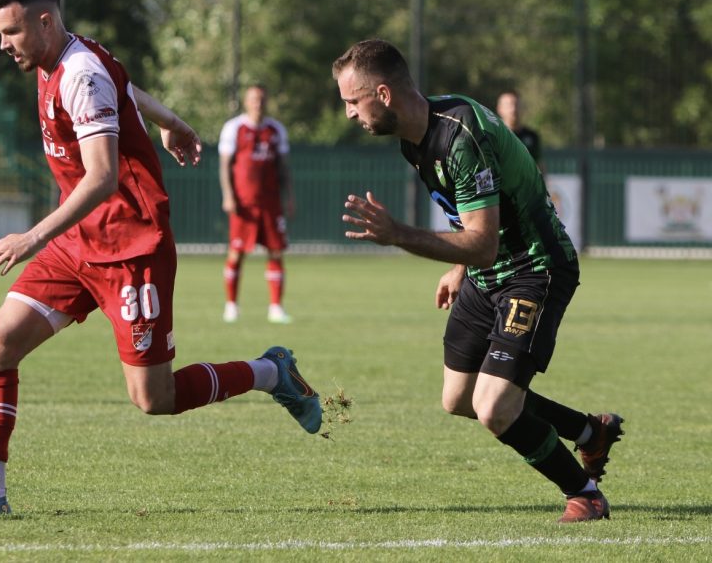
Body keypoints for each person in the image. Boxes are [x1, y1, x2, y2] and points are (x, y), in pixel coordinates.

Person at [0, 0, 322, 519]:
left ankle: (272, 372)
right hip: (77, 242)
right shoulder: (61, 59)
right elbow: (127, 89)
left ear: (45, 22)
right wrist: (171, 121)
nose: (3, 45)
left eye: (10, 32)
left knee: (153, 398)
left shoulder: (80, 72)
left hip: (131, 249)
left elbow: (102, 176)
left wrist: (32, 237)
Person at [332, 39, 623, 523]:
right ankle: (591, 432)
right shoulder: (413, 137)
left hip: (534, 269)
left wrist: (398, 234)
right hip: (487, 272)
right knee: (460, 398)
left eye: (352, 101)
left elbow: (483, 243)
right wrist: (457, 266)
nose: (348, 113)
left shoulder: (460, 137)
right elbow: (466, 218)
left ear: (382, 94)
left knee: (493, 407)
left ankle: (585, 493)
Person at [218, 84, 296, 324]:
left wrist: (289, 196)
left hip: (270, 202)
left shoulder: (276, 130)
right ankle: (231, 305)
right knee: (237, 253)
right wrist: (228, 195)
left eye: (261, 99)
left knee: (275, 251)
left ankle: (276, 308)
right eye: (253, 99)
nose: (258, 103)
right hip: (244, 203)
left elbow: (283, 167)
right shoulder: (234, 128)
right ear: (246, 101)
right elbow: (225, 166)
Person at [495, 91, 543, 171]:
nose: (513, 109)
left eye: (516, 105)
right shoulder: (494, 135)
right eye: (509, 105)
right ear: (499, 109)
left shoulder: (532, 136)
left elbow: (538, 164)